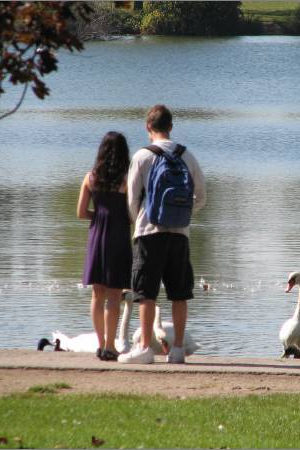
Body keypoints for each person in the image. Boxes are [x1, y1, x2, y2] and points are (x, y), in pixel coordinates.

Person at [119, 104, 206, 364]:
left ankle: (146, 348)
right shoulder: (186, 155)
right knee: (180, 292)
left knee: (145, 293)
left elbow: (132, 200)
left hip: (148, 232)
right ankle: (178, 349)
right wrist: (182, 215)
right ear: (171, 126)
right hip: (180, 233)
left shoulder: (142, 156)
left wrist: (139, 222)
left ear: (148, 127)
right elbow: (201, 197)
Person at [77, 131, 133, 361]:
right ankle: (111, 346)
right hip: (118, 236)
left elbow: (80, 213)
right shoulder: (127, 180)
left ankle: (100, 345)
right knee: (114, 295)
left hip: (96, 236)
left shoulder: (90, 178)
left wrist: (98, 216)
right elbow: (132, 215)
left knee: (96, 295)